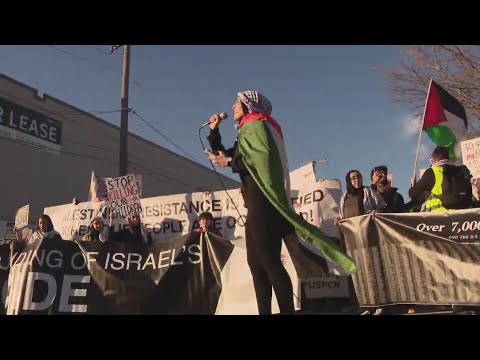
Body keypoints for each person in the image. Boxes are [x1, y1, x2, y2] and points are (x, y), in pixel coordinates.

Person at [207, 90, 355, 314]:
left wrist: (229, 162)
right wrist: (214, 130)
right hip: (258, 204)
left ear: (249, 105)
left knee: (269, 263)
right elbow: (231, 154)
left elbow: (260, 161)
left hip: (264, 203)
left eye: (238, 102)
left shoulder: (256, 126)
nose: (233, 105)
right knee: (256, 265)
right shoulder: (249, 129)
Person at [410, 145, 472, 212]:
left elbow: (414, 194)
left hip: (440, 218)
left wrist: (413, 185)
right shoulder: (463, 170)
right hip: (464, 217)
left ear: (434, 159)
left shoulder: (432, 172)